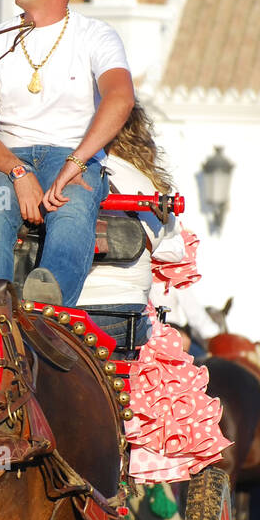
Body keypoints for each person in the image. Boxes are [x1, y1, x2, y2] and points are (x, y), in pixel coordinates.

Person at [0, 0, 134, 305]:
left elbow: (120, 97)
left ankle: (47, 311)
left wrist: (78, 161)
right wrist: (17, 171)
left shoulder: (96, 35)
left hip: (72, 154)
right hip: (5, 157)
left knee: (73, 208)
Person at [78, 101, 185, 357]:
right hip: (125, 315)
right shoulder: (149, 186)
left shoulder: (68, 173)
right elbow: (174, 252)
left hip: (69, 309)